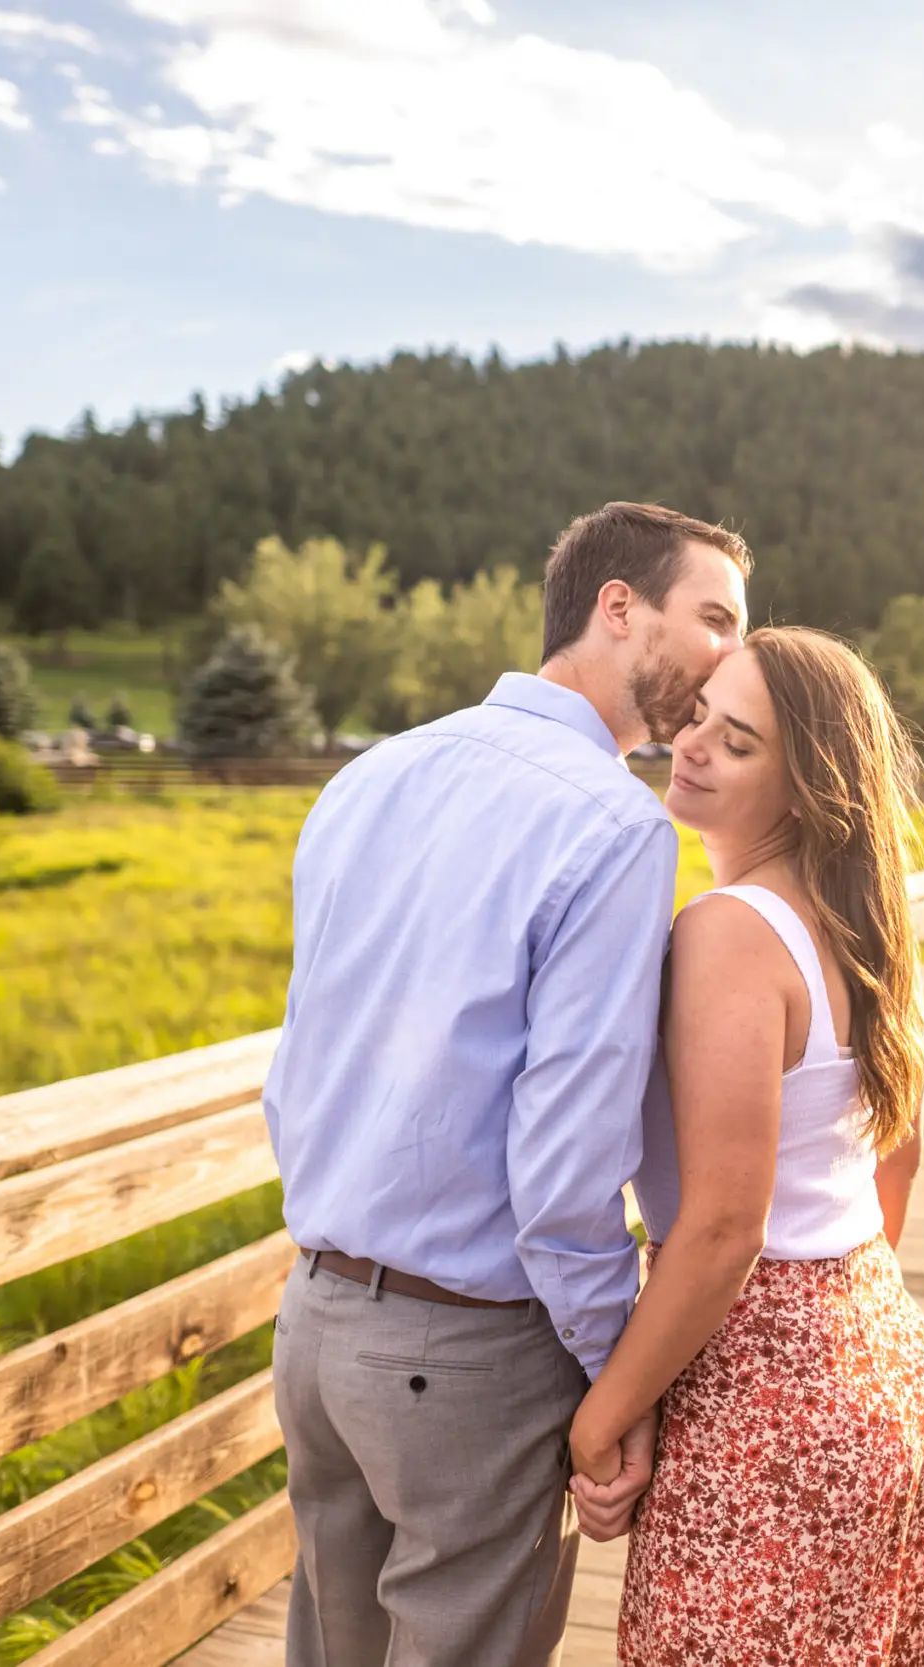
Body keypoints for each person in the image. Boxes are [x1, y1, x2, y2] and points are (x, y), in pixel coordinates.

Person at [261, 502, 749, 1667]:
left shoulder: (369, 775)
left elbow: (298, 1072)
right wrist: (610, 1376)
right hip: (467, 1356)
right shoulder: (613, 827)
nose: (732, 652)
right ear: (616, 606)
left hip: (315, 1325)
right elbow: (567, 1162)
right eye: (715, 616)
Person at [565, 627, 924, 1664]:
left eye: (738, 740)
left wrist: (598, 1419)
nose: (693, 744)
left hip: (767, 1409)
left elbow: (719, 1227)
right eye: (700, 713)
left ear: (803, 789)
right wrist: (840, 1331)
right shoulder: (854, 922)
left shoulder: (728, 932)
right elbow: (897, 1154)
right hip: (884, 1352)